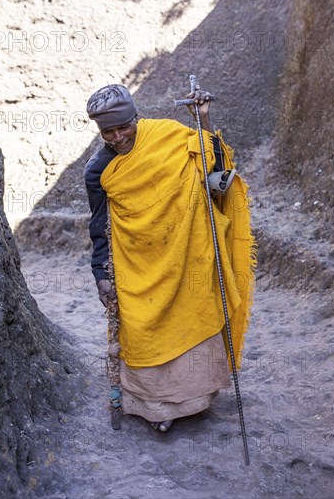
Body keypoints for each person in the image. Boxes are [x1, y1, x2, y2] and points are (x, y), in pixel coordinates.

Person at [84, 84, 255, 432]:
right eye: (108, 132)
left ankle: (194, 400)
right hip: (136, 264)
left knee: (191, 317)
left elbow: (211, 163)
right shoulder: (98, 170)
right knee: (142, 329)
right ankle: (154, 409)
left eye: (123, 127)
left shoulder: (169, 137)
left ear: (136, 118)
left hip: (186, 253)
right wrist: (101, 272)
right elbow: (99, 224)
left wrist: (203, 118)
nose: (118, 137)